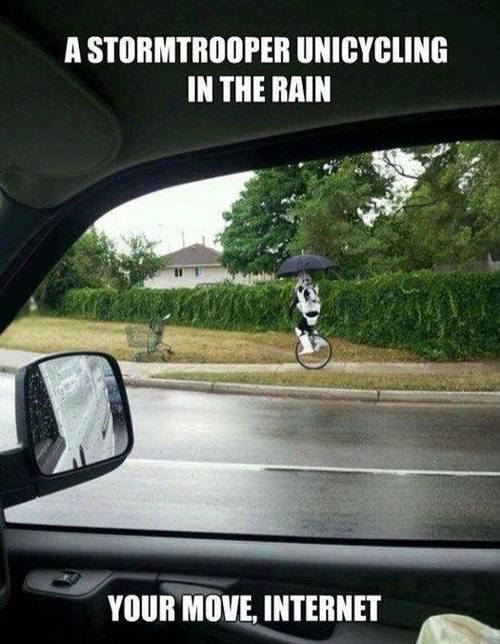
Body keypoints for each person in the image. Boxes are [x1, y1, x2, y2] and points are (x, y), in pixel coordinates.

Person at [288, 272, 321, 354]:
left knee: (298, 329)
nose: (297, 280)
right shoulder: (310, 287)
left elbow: (313, 298)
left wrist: (307, 292)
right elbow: (296, 300)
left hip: (309, 313)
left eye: (299, 279)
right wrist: (290, 311)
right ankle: (319, 341)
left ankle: (308, 348)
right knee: (307, 329)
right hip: (315, 311)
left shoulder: (306, 289)